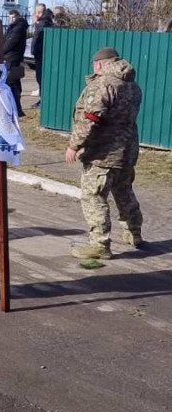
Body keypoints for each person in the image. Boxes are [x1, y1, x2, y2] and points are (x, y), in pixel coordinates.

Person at [65, 46, 143, 260]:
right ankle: (134, 232)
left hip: (103, 153)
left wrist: (74, 145)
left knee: (93, 195)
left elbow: (90, 119)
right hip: (127, 151)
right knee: (124, 191)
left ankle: (99, 244)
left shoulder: (102, 84)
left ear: (99, 64)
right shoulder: (132, 85)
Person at [2, 8, 28, 116]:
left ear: (17, 17)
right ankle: (16, 107)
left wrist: (1, 51)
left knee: (11, 82)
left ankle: (16, 107)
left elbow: (10, 43)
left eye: (13, 17)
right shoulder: (15, 27)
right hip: (12, 57)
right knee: (14, 82)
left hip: (13, 58)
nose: (11, 19)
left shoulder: (18, 27)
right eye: (10, 18)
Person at [31, 4, 54, 101]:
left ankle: (43, 100)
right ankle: (42, 99)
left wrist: (36, 23)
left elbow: (38, 38)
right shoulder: (44, 23)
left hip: (41, 54)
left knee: (41, 77)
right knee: (40, 78)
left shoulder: (42, 23)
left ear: (38, 13)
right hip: (40, 53)